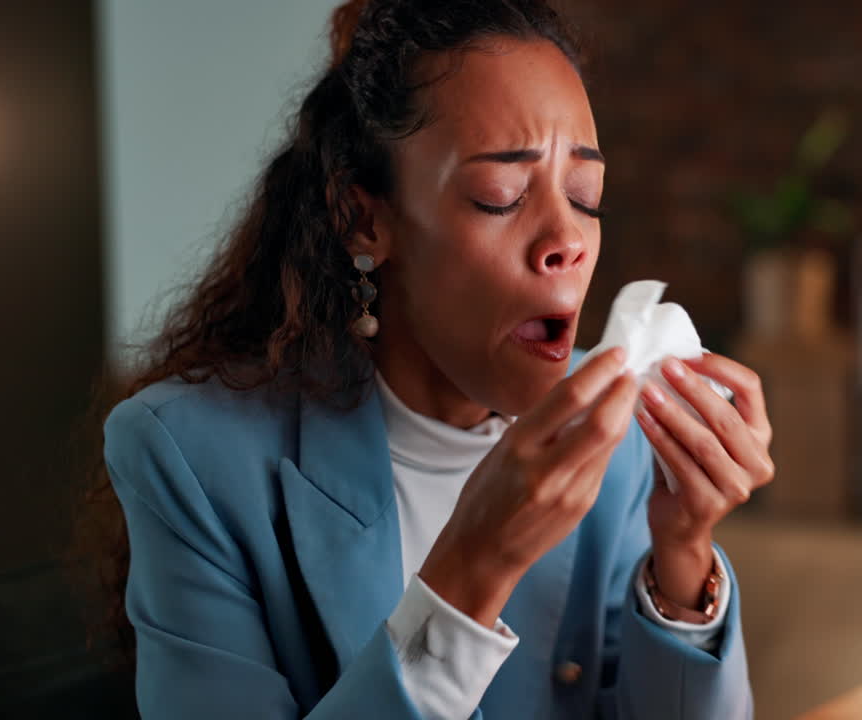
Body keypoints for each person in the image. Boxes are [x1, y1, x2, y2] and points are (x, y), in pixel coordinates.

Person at [96, 1, 774, 717]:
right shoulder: (190, 457)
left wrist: (682, 551)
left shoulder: (619, 439)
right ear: (366, 220)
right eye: (501, 195)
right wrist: (473, 571)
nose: (567, 240)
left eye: (584, 195)